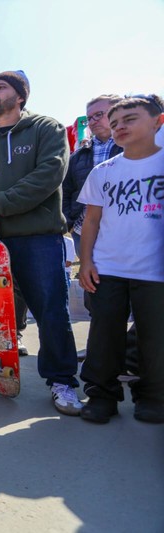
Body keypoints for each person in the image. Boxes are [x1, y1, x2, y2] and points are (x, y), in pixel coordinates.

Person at [0, 70, 82, 416]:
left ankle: (62, 381)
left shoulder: (46, 129)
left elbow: (48, 175)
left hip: (37, 237)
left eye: (1, 87)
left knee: (51, 311)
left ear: (21, 96)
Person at [77, 95, 164, 424]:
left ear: (158, 121)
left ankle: (153, 395)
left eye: (130, 119)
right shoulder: (103, 171)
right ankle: (101, 394)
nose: (119, 127)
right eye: (114, 124)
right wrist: (86, 262)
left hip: (155, 271)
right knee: (104, 334)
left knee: (154, 337)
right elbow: (91, 222)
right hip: (108, 268)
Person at [61, 95, 123, 256]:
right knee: (96, 280)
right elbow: (65, 191)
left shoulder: (135, 147)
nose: (93, 121)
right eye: (89, 118)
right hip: (85, 234)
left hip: (127, 230)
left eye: (99, 115)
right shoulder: (77, 156)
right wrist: (70, 224)